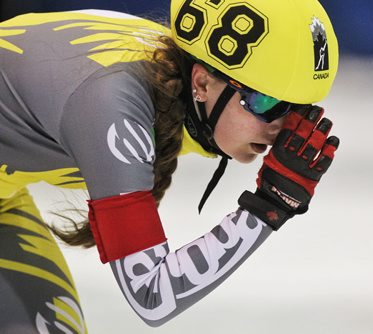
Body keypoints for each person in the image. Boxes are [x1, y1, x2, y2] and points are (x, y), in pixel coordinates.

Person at [0, 0, 339, 332]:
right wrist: (270, 205)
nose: (282, 127)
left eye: (296, 109)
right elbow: (151, 294)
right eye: (266, 102)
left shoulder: (165, 74)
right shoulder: (112, 103)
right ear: (203, 83)